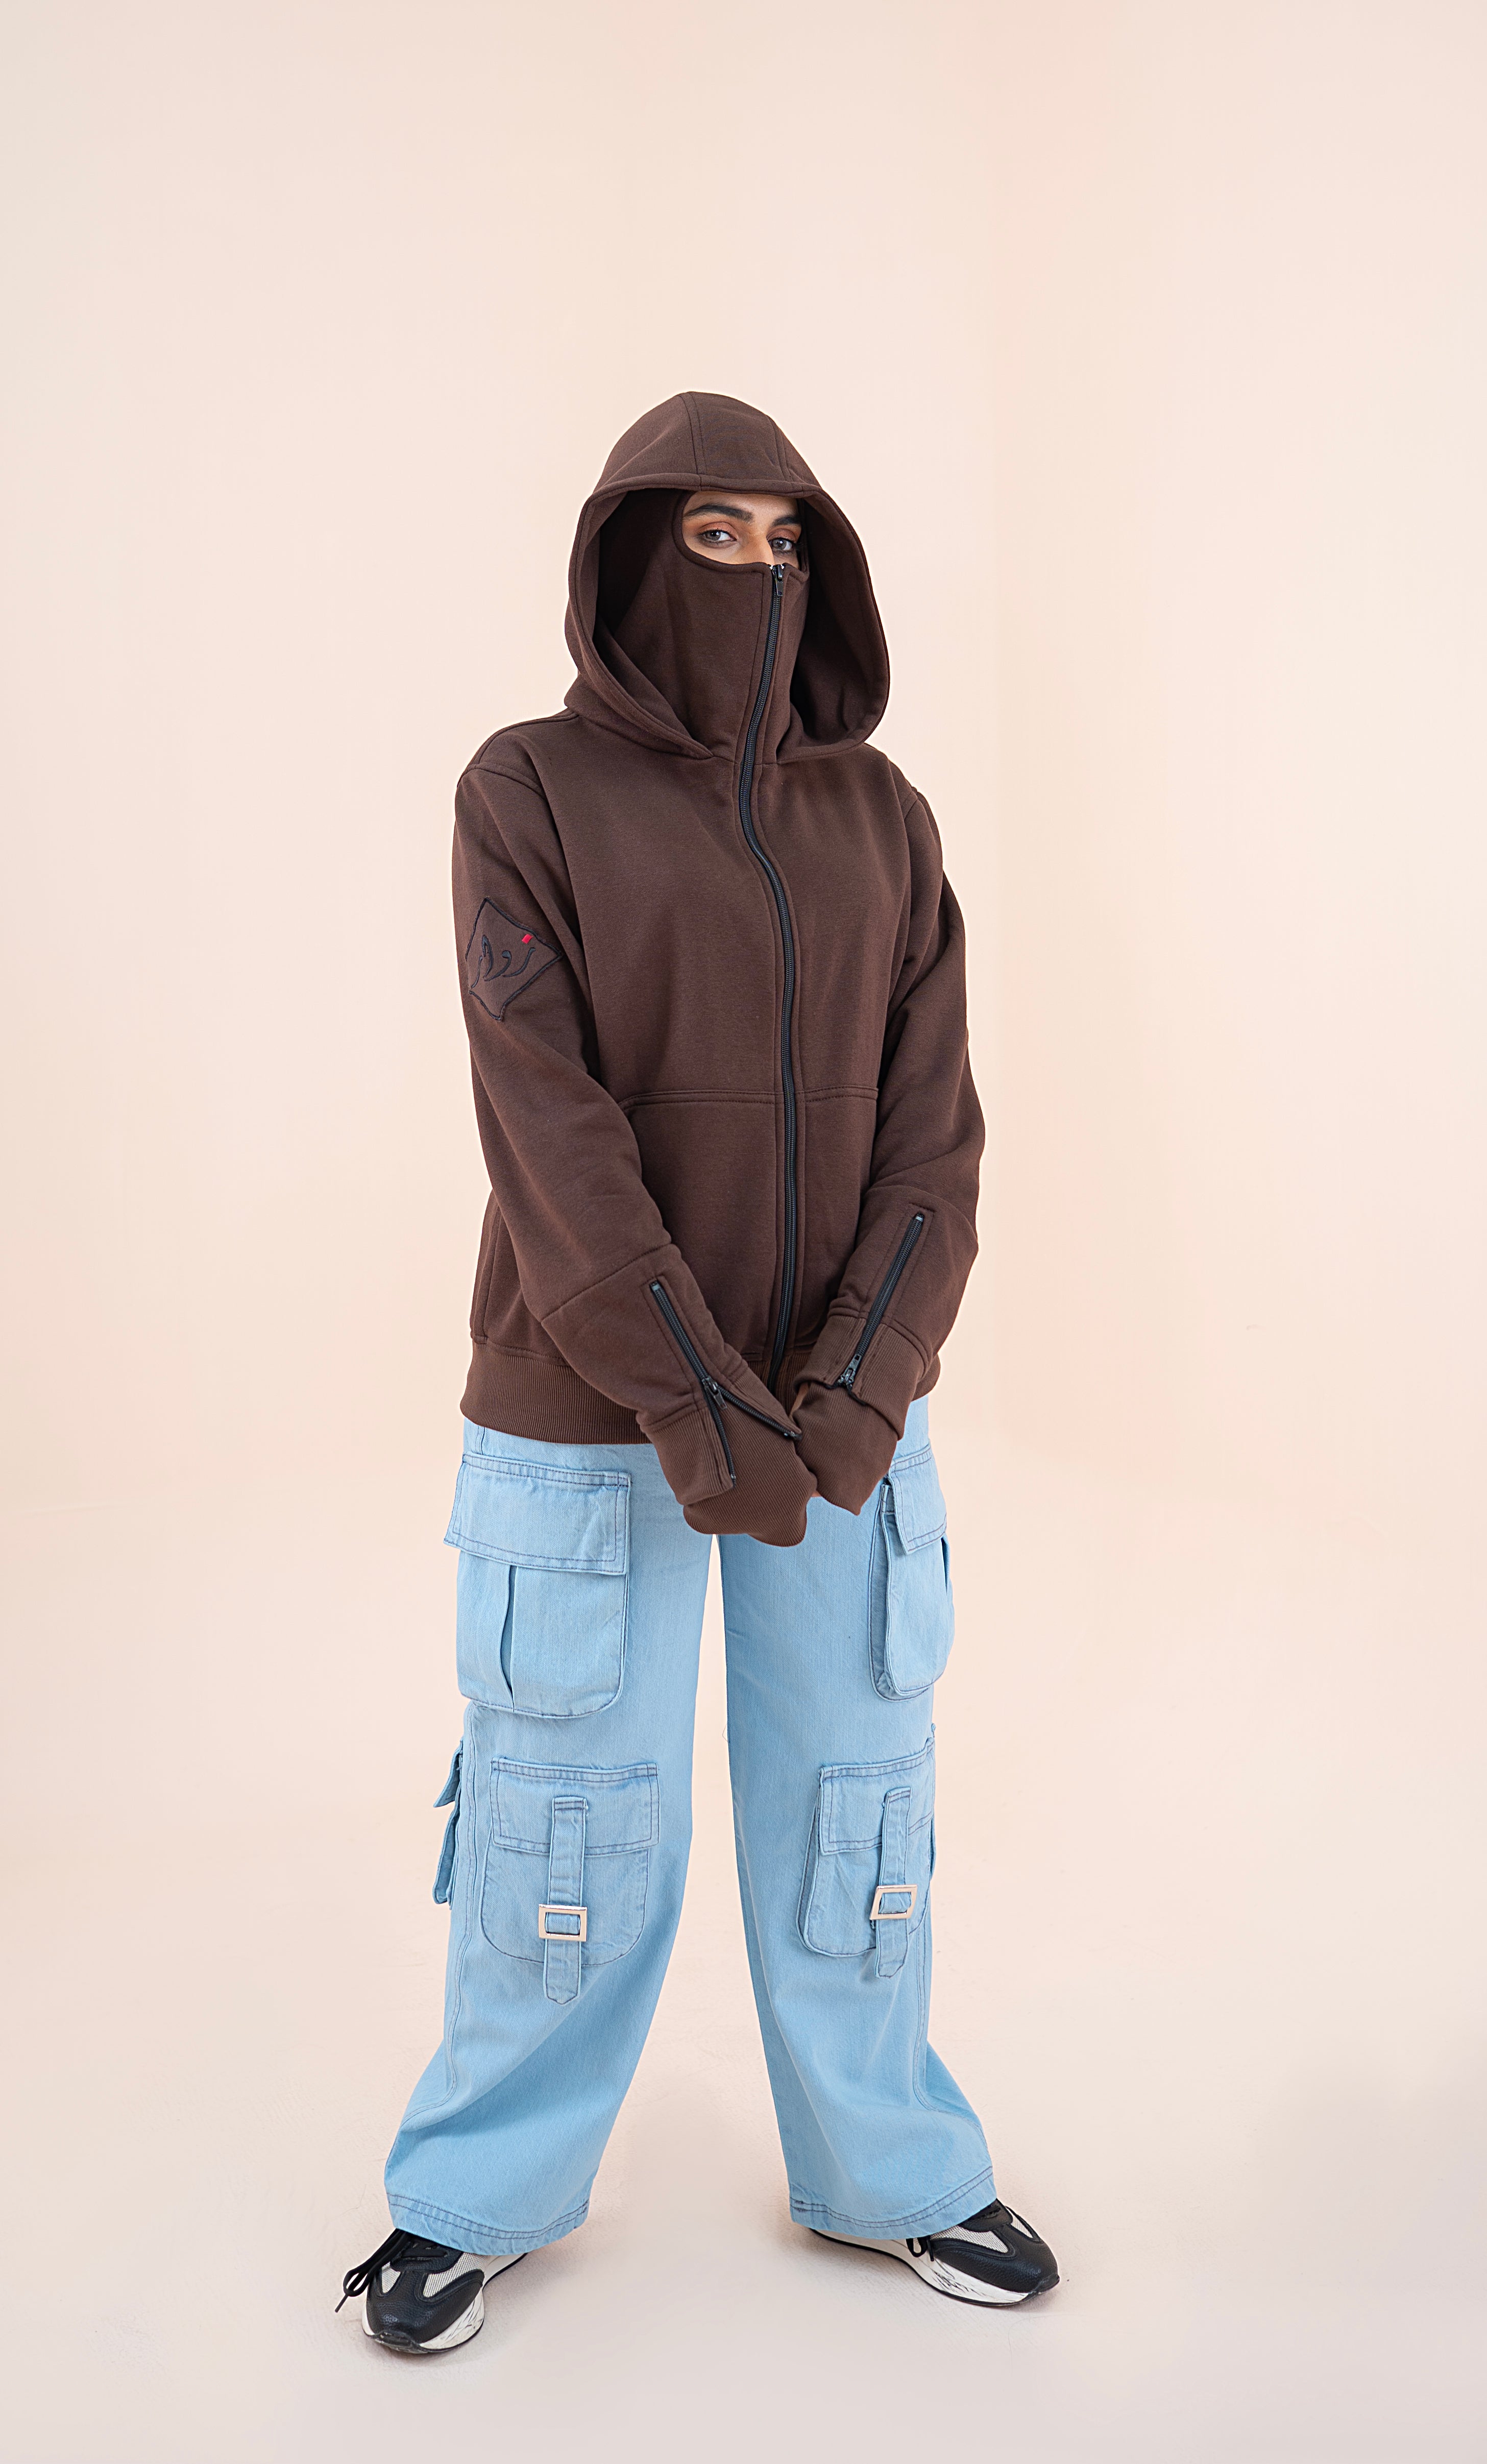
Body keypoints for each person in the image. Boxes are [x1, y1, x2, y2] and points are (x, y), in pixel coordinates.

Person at [338, 392, 1059, 2354]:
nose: (752, 570)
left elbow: (935, 1142)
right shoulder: (527, 790)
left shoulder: (884, 820)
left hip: (841, 1424)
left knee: (858, 1801)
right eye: (711, 536)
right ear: (628, 555)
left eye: (783, 537)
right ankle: (475, 2193)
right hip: (589, 1415)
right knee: (565, 1809)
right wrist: (685, 1390)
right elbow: (548, 1128)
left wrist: (852, 1389)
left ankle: (891, 2169)